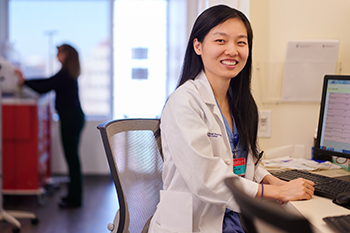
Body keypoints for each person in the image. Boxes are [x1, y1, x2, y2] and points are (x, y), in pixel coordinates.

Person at [148, 5, 315, 233]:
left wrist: (272, 181)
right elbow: (206, 178)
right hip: (194, 223)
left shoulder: (240, 102)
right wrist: (278, 192)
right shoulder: (183, 102)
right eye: (220, 41)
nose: (232, 50)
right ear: (198, 46)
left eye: (241, 42)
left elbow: (244, 160)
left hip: (235, 218)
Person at [16, 44, 85, 208]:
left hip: (70, 118)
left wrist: (24, 81)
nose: (56, 56)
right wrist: (26, 82)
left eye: (59, 53)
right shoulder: (68, 73)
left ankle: (74, 199)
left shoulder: (65, 75)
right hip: (74, 117)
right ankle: (74, 197)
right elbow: (47, 83)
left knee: (72, 158)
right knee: (73, 158)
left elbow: (45, 85)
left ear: (66, 55)